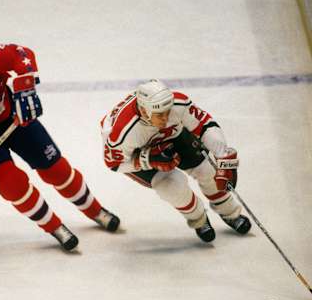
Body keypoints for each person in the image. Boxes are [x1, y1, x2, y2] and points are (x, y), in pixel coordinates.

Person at [0, 44, 120, 251]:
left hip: (13, 118)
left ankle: (95, 211)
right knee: (11, 184)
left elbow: (19, 53)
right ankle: (54, 226)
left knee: (56, 169)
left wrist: (25, 87)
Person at [100, 79, 251, 242]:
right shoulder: (121, 134)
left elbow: (205, 124)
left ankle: (230, 213)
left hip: (173, 136)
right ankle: (199, 219)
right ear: (144, 111)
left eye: (168, 111)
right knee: (170, 186)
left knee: (207, 170)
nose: (166, 118)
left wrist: (222, 155)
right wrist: (146, 160)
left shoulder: (177, 102)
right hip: (138, 154)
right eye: (160, 115)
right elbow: (114, 165)